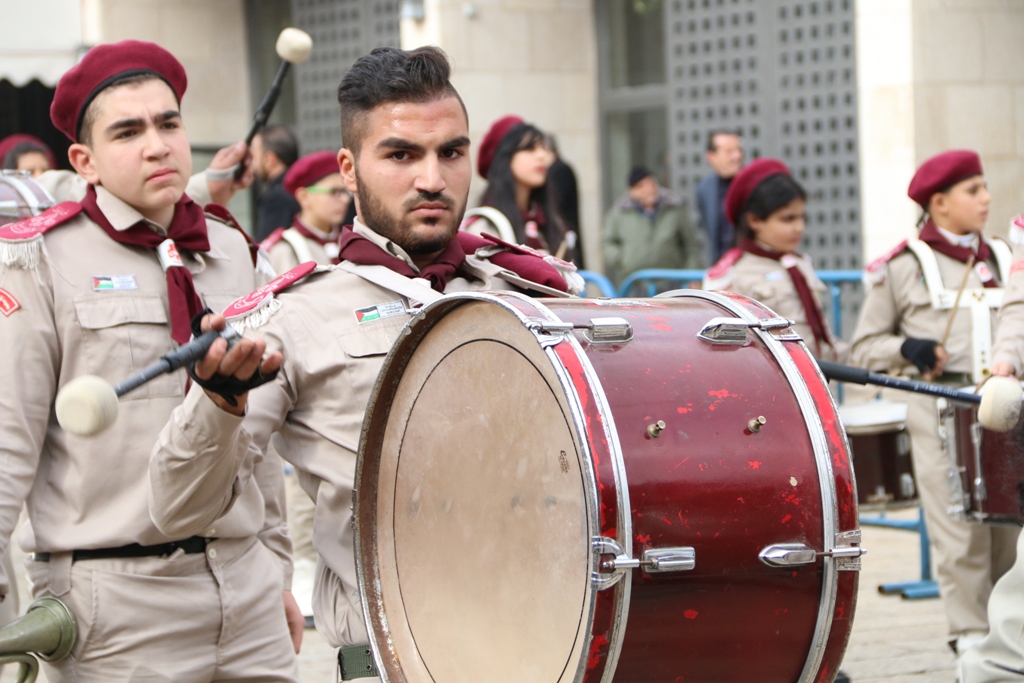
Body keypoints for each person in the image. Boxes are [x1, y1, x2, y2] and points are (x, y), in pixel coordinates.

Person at [147, 45, 581, 679]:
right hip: (394, 663)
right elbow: (176, 509)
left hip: (551, 652)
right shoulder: (292, 318)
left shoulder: (532, 295)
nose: (431, 179)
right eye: (401, 155)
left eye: (451, 153)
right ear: (349, 169)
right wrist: (217, 405)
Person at [0, 39, 302, 681]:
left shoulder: (233, 250)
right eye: (128, 131)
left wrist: (276, 570)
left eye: (168, 123)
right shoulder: (38, 261)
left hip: (246, 593)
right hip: (115, 606)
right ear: (84, 160)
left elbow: (259, 434)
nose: (158, 145)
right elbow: (7, 442)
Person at [850, 150, 1018, 660]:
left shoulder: (1008, 257)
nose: (986, 199)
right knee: (960, 530)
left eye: (986, 187)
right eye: (974, 191)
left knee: (1009, 529)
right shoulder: (902, 267)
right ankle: (969, 639)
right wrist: (907, 349)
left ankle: (1006, 640)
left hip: (1005, 407)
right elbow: (862, 346)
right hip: (941, 408)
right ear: (939, 203)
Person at [703, 158, 849, 363]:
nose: (799, 227)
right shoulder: (731, 274)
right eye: (788, 219)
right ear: (754, 220)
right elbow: (725, 352)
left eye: (801, 217)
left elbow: (819, 337)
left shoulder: (799, 263)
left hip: (813, 383)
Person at [465, 115, 575, 261]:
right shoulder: (485, 227)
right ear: (505, 158)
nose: (542, 155)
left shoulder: (551, 221)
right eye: (529, 149)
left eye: (543, 147)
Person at [602, 165, 703, 288]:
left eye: (651, 184)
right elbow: (607, 242)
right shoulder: (619, 213)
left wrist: (692, 274)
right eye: (641, 186)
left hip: (671, 280)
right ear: (632, 191)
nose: (648, 189)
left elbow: (691, 245)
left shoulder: (674, 209)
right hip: (635, 283)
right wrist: (624, 258)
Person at [261, 149, 349, 274]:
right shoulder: (285, 249)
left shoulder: (351, 242)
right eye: (334, 192)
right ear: (304, 197)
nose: (345, 200)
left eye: (345, 191)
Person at [695, 129, 743, 264]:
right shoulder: (704, 189)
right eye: (729, 151)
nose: (737, 156)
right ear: (711, 156)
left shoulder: (752, 183)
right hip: (720, 266)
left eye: (739, 150)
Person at [252, 124, 302, 241]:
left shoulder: (276, 198)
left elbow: (267, 249)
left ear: (270, 160)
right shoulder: (302, 190)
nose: (251, 164)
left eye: (253, 156)